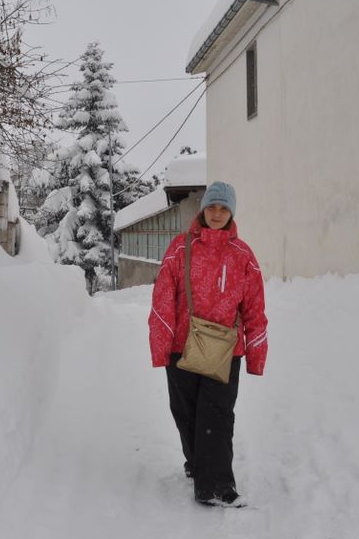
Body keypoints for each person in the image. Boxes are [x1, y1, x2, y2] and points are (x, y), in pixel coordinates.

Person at [148, 181, 268, 507]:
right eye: (212, 207)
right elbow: (163, 298)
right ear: (203, 210)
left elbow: (255, 308)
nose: (216, 213)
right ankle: (197, 462)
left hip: (225, 352)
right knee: (185, 414)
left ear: (231, 213)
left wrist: (256, 354)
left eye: (223, 208)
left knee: (217, 417)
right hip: (181, 347)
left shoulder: (243, 256)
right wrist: (161, 346)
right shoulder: (180, 248)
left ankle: (216, 487)